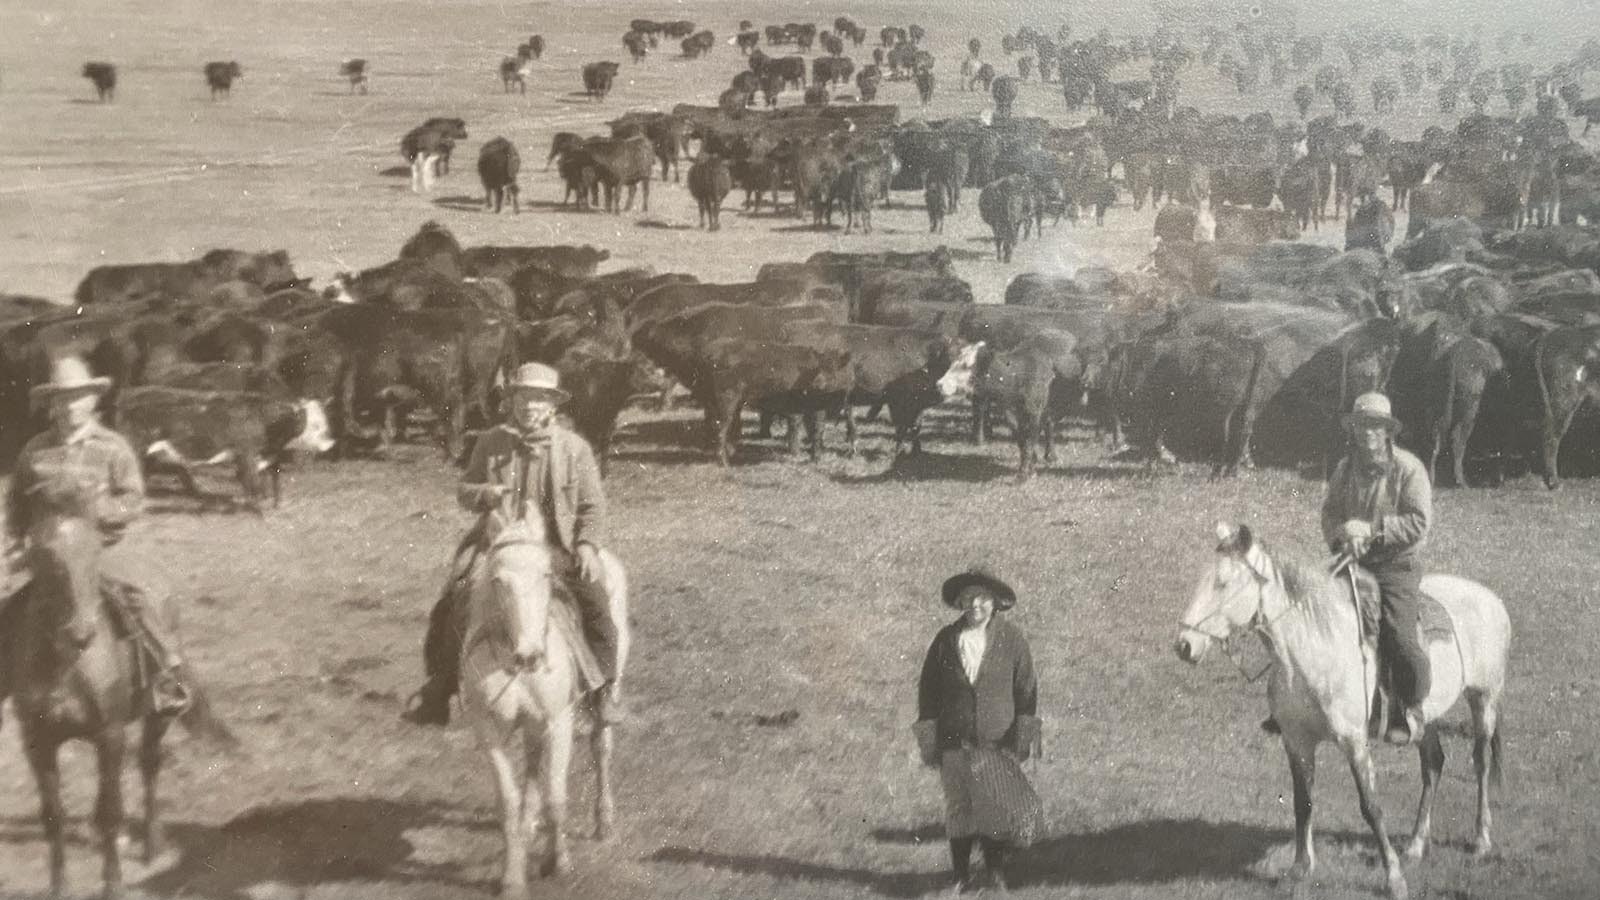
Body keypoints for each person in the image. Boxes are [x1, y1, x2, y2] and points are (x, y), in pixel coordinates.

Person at [404, 362, 624, 726]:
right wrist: (485, 493)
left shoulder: (574, 448)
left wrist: (586, 545)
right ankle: (439, 689)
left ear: (553, 405)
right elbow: (464, 490)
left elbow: (592, 505)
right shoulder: (491, 441)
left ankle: (601, 693)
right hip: (499, 543)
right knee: (452, 598)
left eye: (539, 400)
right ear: (512, 402)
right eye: (523, 398)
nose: (530, 407)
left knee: (596, 602)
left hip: (557, 545)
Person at [2, 355, 190, 718]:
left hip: (102, 547)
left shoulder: (113, 446)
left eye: (79, 397)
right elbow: (17, 505)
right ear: (51, 405)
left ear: (93, 400)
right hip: (49, 553)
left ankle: (168, 677)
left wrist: (96, 514)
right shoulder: (34, 451)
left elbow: (133, 497)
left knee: (140, 595)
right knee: (10, 610)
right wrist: (14, 547)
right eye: (63, 398)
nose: (71, 405)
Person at [914, 566, 1043, 893]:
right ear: (959, 603)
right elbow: (927, 692)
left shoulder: (1011, 639)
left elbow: (1026, 690)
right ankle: (960, 876)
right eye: (968, 598)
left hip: (995, 740)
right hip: (954, 741)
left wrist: (1022, 737)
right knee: (959, 807)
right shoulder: (945, 640)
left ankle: (995, 875)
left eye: (982, 598)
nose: (975, 605)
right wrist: (930, 742)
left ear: (995, 602)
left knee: (993, 808)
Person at [1323, 391, 1434, 746]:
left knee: (1397, 635)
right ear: (1353, 430)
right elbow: (1330, 513)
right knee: (1325, 621)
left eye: (1375, 427)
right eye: (1361, 426)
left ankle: (1406, 705)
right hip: (1355, 561)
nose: (1368, 433)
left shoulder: (1409, 469)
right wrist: (1343, 535)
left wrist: (1372, 530)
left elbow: (1418, 522)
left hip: (1396, 565)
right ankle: (1337, 704)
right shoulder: (1344, 469)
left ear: (1387, 431)